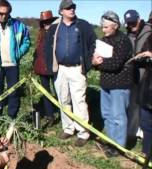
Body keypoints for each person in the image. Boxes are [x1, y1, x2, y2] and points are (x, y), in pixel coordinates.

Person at [44, 0, 96, 147]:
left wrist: (88, 62)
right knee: (63, 100)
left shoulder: (83, 25)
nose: (71, 9)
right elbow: (48, 48)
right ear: (61, 11)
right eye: (68, 8)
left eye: (73, 7)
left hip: (77, 69)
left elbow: (94, 44)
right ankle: (68, 128)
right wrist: (50, 67)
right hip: (60, 69)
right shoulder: (54, 28)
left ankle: (83, 132)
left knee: (79, 101)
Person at [92, 11, 133, 157]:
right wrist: (94, 62)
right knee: (107, 114)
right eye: (102, 27)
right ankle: (111, 142)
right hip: (106, 84)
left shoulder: (123, 41)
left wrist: (100, 63)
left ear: (115, 26)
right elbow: (96, 60)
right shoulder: (103, 41)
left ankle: (119, 147)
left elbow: (115, 64)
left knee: (118, 116)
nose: (103, 30)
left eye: (106, 27)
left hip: (120, 85)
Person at [123, 9, 152, 148]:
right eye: (129, 24)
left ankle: (144, 138)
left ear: (139, 19)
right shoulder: (128, 33)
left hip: (146, 75)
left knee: (145, 108)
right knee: (134, 106)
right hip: (133, 74)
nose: (131, 26)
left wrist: (146, 55)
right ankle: (131, 136)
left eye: (133, 23)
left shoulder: (148, 31)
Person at [33, 10, 58, 127]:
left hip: (54, 68)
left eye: (48, 22)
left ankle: (65, 115)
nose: (46, 24)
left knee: (60, 93)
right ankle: (50, 115)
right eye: (44, 22)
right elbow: (37, 52)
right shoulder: (41, 35)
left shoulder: (57, 33)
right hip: (42, 69)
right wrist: (34, 65)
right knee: (46, 93)